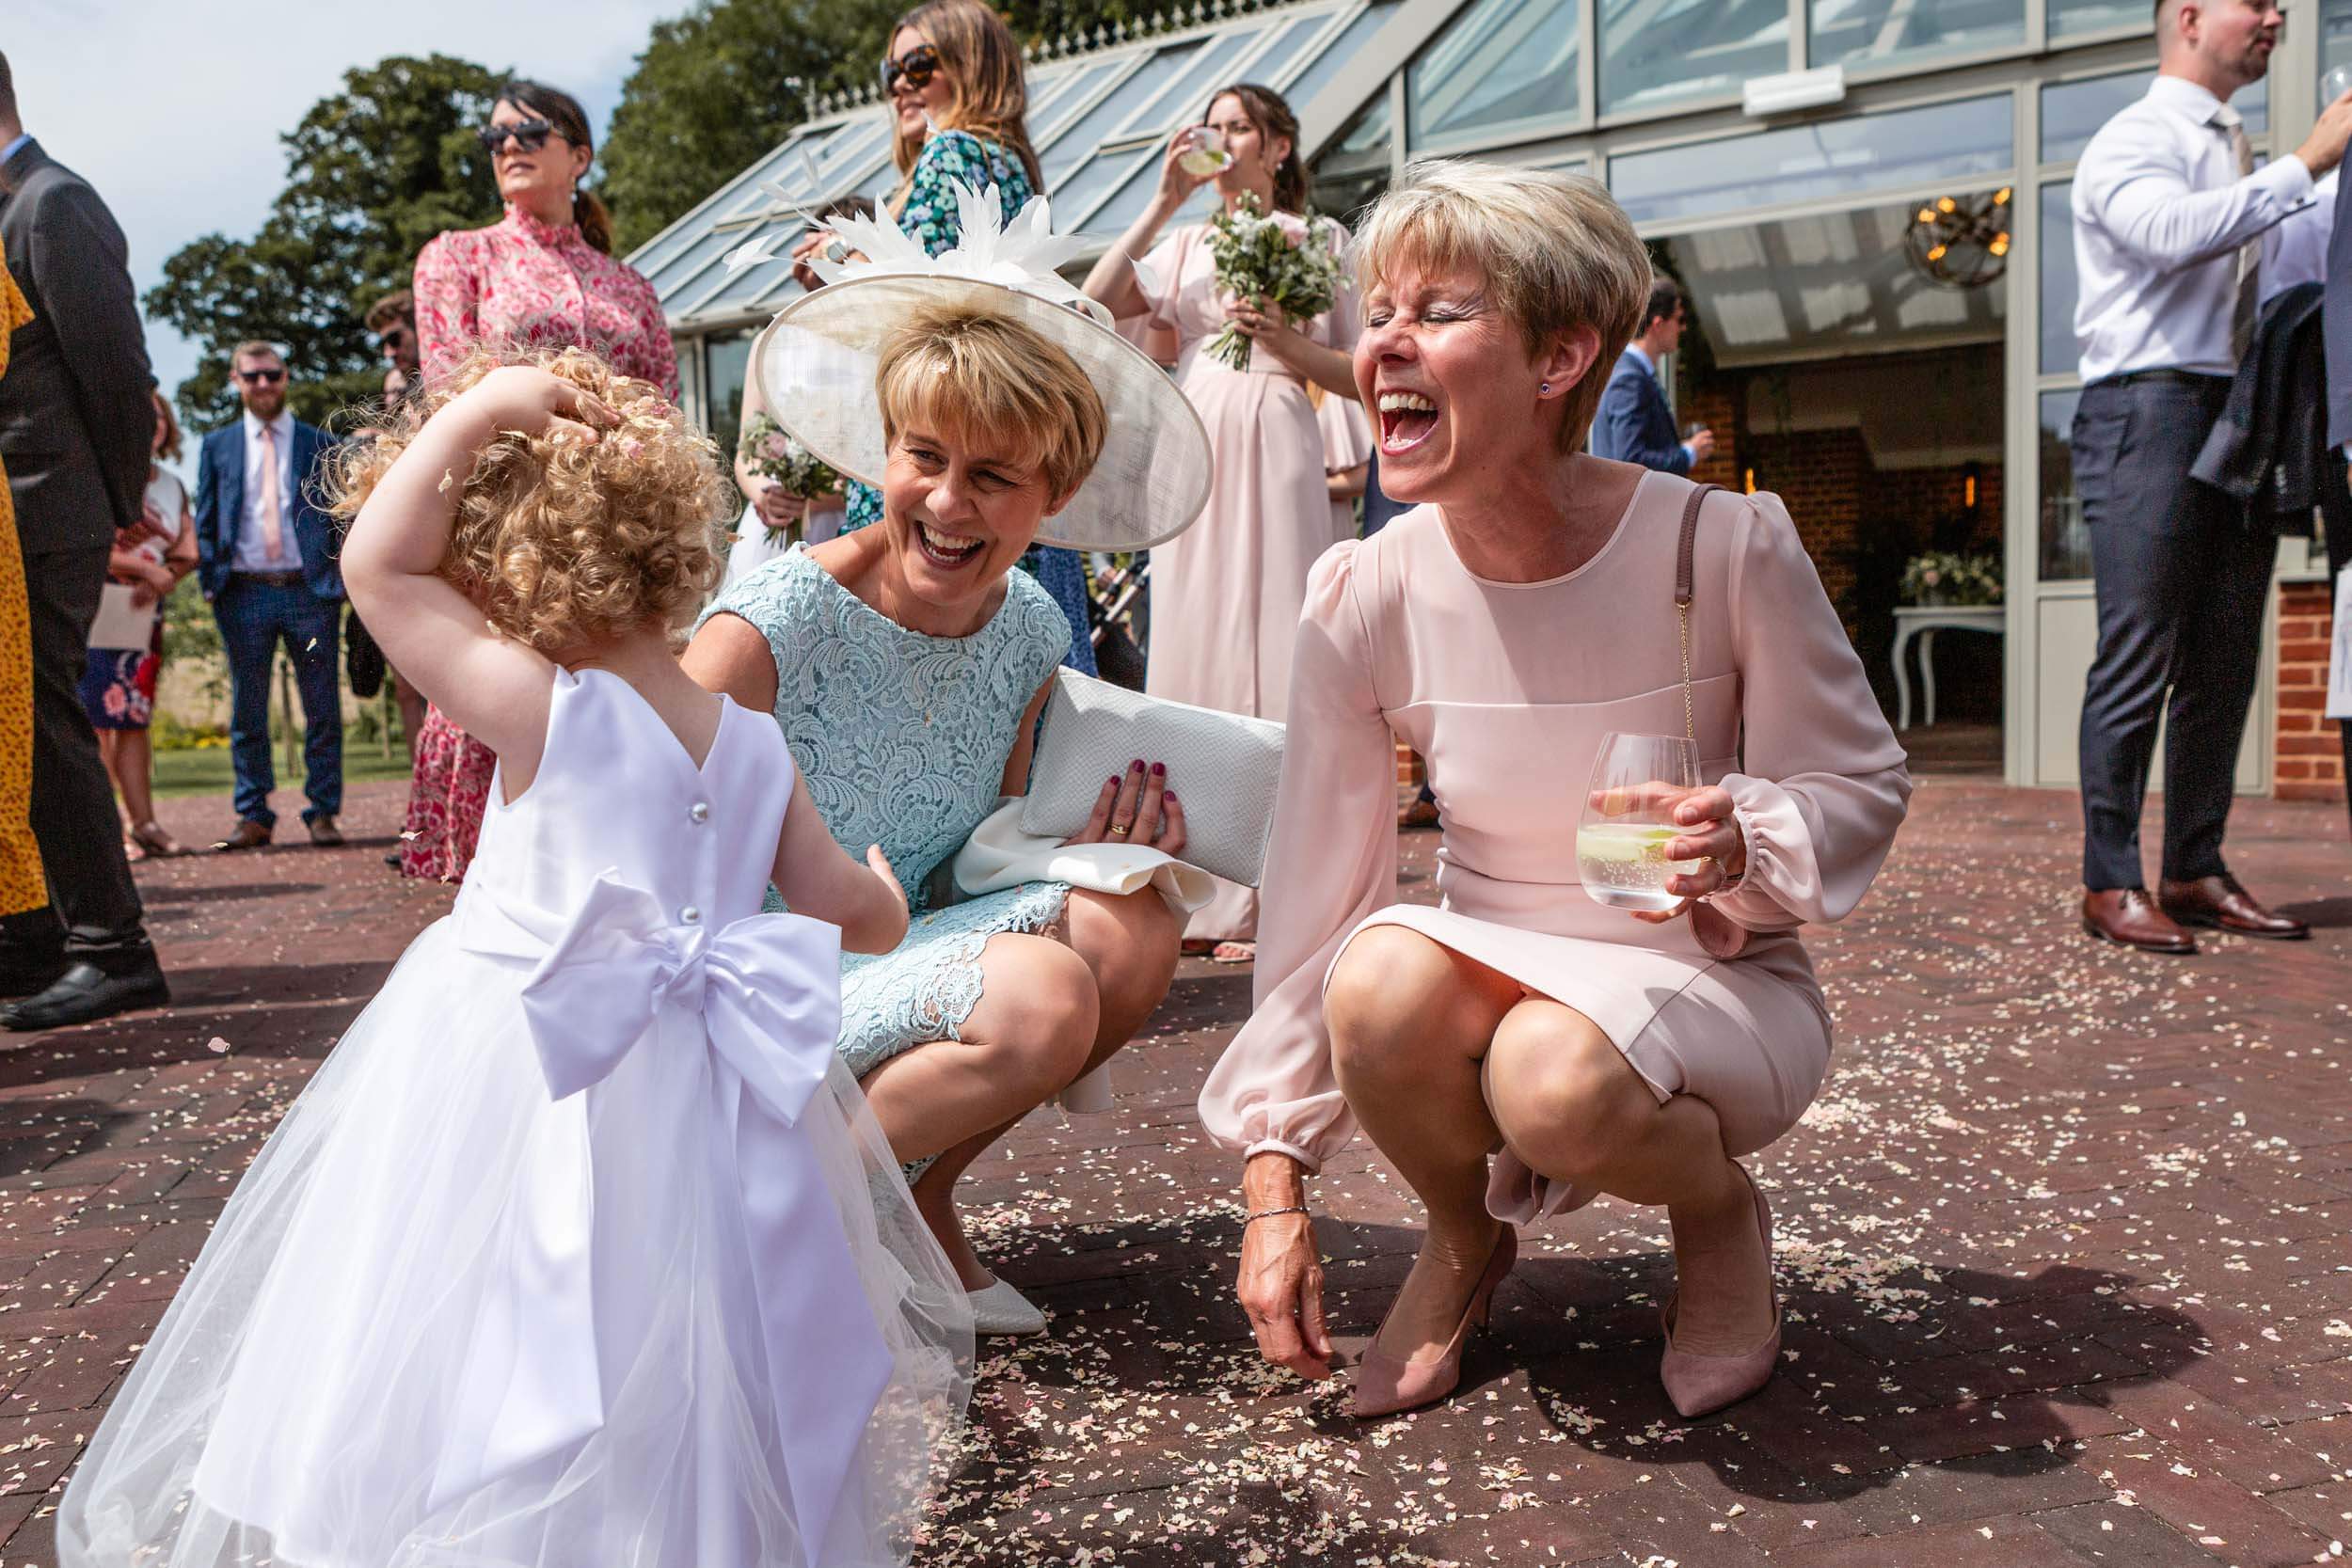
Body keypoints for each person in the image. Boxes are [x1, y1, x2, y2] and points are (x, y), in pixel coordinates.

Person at [56, 347, 973, 1567]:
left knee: (495, 1334)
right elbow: (844, 907)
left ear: (514, 557)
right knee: (696, 1349)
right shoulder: (752, 738)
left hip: (531, 1067)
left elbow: (377, 563)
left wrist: (481, 409)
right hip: (707, 1101)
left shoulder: (548, 705)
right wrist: (891, 890)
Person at [1202, 162, 1911, 1420]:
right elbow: (1313, 895)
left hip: (1707, 973)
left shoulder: (1721, 543)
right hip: (1497, 948)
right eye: (1379, 313)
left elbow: (1856, 780)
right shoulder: (1363, 590)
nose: (1386, 344)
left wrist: (1747, 830)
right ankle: (1464, 1236)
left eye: (1440, 309)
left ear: (1558, 356)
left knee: (1553, 1075)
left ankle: (1715, 1206)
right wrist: (1276, 1181)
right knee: (1375, 974)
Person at [686, 198, 1212, 1338]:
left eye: (994, 475)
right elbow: (654, 868)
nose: (948, 500)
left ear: (1054, 496)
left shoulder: (1028, 625)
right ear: (884, 451)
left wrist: (1103, 838)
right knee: (1044, 996)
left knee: (1136, 921)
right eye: (923, 457)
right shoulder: (767, 628)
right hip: (762, 981)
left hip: (913, 936)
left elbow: (993, 839)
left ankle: (911, 1198)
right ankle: (799, 1199)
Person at [2068, 0, 2352, 951]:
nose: (2275, 16)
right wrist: (2304, 163)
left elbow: (2289, 260)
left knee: (2226, 657)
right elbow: (2166, 233)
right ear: (2188, 16)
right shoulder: (2132, 138)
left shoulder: (2242, 146)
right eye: (2256, 1)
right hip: (2146, 407)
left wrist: (2319, 185)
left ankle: (2193, 864)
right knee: (2138, 651)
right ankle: (2109, 879)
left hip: (2241, 409)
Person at [1082, 81, 1363, 960]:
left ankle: (1282, 891)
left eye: (1241, 127)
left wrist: (1284, 341)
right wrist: (1164, 198)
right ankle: (1201, 889)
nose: (1225, 139)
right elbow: (1095, 297)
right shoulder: (1187, 241)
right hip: (1196, 439)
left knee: (1284, 641)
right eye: (1216, 126)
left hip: (1281, 431)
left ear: (1278, 147)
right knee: (1194, 644)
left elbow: (1360, 371)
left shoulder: (1322, 240)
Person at [404, 78, 676, 884]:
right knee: (516, 723)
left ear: (579, 157)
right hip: (508, 529)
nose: (509, 144)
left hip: (620, 536)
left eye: (530, 130)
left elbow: (665, 407)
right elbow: (447, 387)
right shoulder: (460, 256)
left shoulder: (631, 285)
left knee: (626, 730)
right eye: (495, 137)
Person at [799, 0, 1099, 678]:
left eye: (919, 64)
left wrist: (845, 268)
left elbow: (933, 318)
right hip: (1003, 465)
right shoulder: (1012, 165)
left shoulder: (954, 149)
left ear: (973, 66)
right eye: (891, 71)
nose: (900, 83)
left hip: (942, 461)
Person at [0, 52, 170, 1031]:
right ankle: (37, 935)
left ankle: (114, 944)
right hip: (18, 506)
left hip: (49, 501)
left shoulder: (52, 203)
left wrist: (116, 500)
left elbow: (117, 370)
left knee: (45, 708)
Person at [192, 342, 346, 851]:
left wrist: (338, 581)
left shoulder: (318, 441)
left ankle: (322, 811)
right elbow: (208, 517)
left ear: (286, 377)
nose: (263, 385)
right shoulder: (217, 446)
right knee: (247, 710)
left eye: (272, 375)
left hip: (309, 593)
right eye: (252, 376)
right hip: (243, 594)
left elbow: (340, 516)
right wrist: (212, 582)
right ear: (235, 379)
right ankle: (253, 813)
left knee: (321, 708)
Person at [87, 390, 198, 859]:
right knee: (96, 722)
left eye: (156, 417)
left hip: (142, 615)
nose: (149, 424)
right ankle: (106, 832)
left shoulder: (172, 485)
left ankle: (145, 823)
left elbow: (187, 550)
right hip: (93, 609)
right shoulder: (96, 475)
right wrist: (143, 570)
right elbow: (84, 542)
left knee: (134, 719)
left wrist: (166, 576)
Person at [360, 290, 430, 756]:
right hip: (405, 550)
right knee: (406, 686)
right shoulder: (394, 388)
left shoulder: (445, 380)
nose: (389, 352)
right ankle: (420, 781)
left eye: (394, 338)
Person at [1591, 276, 1716, 474]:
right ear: (1658, 324)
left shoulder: (1631, 373)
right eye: (1679, 319)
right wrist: (1688, 452)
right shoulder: (1629, 379)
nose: (1682, 328)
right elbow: (1630, 459)